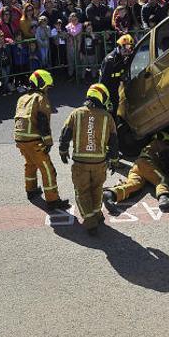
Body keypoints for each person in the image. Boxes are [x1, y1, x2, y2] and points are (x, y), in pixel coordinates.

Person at [59, 84, 119, 236]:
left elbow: (65, 133)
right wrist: (114, 160)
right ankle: (97, 215)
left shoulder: (76, 113)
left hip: (80, 163)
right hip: (99, 163)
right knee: (97, 188)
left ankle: (90, 222)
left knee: (82, 191)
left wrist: (63, 150)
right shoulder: (107, 117)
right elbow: (113, 141)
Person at [13, 70, 69, 210]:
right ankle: (53, 200)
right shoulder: (41, 98)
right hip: (34, 140)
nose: (47, 90)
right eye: (47, 87)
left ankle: (31, 190)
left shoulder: (22, 98)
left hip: (20, 139)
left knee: (30, 164)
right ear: (42, 83)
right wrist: (48, 142)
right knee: (48, 169)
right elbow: (43, 122)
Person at [103, 131, 169, 211]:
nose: (168, 146)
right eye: (168, 143)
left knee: (134, 184)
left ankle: (111, 194)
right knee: (161, 179)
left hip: (137, 166)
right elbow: (166, 158)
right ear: (164, 140)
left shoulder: (149, 146)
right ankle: (164, 199)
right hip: (146, 163)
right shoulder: (159, 143)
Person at [98, 34, 134, 115]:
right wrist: (107, 100)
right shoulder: (110, 61)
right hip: (107, 91)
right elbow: (103, 82)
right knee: (108, 114)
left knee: (114, 113)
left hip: (115, 89)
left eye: (130, 48)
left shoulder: (122, 57)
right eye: (127, 48)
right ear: (120, 46)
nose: (128, 51)